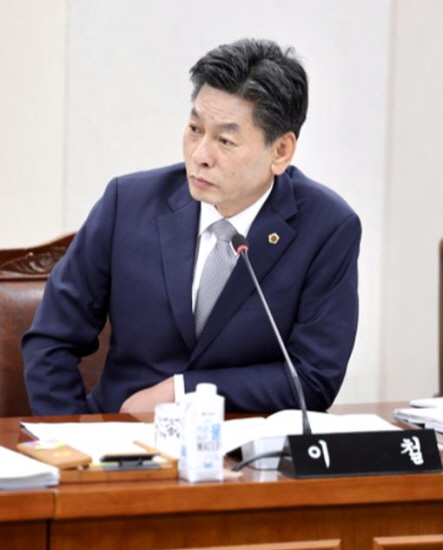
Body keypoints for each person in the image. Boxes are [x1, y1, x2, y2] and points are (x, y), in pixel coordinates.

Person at [23, 38, 361, 416]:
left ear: (280, 151)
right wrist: (74, 438)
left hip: (244, 445)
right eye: (195, 129)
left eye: (225, 140)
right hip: (124, 435)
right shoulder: (127, 204)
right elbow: (51, 341)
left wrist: (182, 391)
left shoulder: (327, 228)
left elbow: (313, 378)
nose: (200, 155)